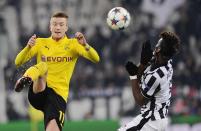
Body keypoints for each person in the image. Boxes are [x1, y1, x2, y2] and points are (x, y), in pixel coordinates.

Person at [14, 12, 100, 131]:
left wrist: (85, 45)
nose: (58, 27)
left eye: (61, 24)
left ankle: (27, 78)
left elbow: (96, 58)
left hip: (58, 96)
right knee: (43, 66)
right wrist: (28, 47)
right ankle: (25, 79)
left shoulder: (74, 44)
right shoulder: (40, 42)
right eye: (55, 24)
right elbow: (18, 62)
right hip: (39, 90)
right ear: (50, 27)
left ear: (66, 27)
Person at [118, 31, 180, 131]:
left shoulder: (157, 76)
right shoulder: (166, 61)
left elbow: (140, 100)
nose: (154, 48)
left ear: (159, 50)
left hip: (151, 120)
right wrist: (142, 63)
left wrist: (133, 76)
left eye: (157, 46)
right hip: (159, 119)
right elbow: (141, 74)